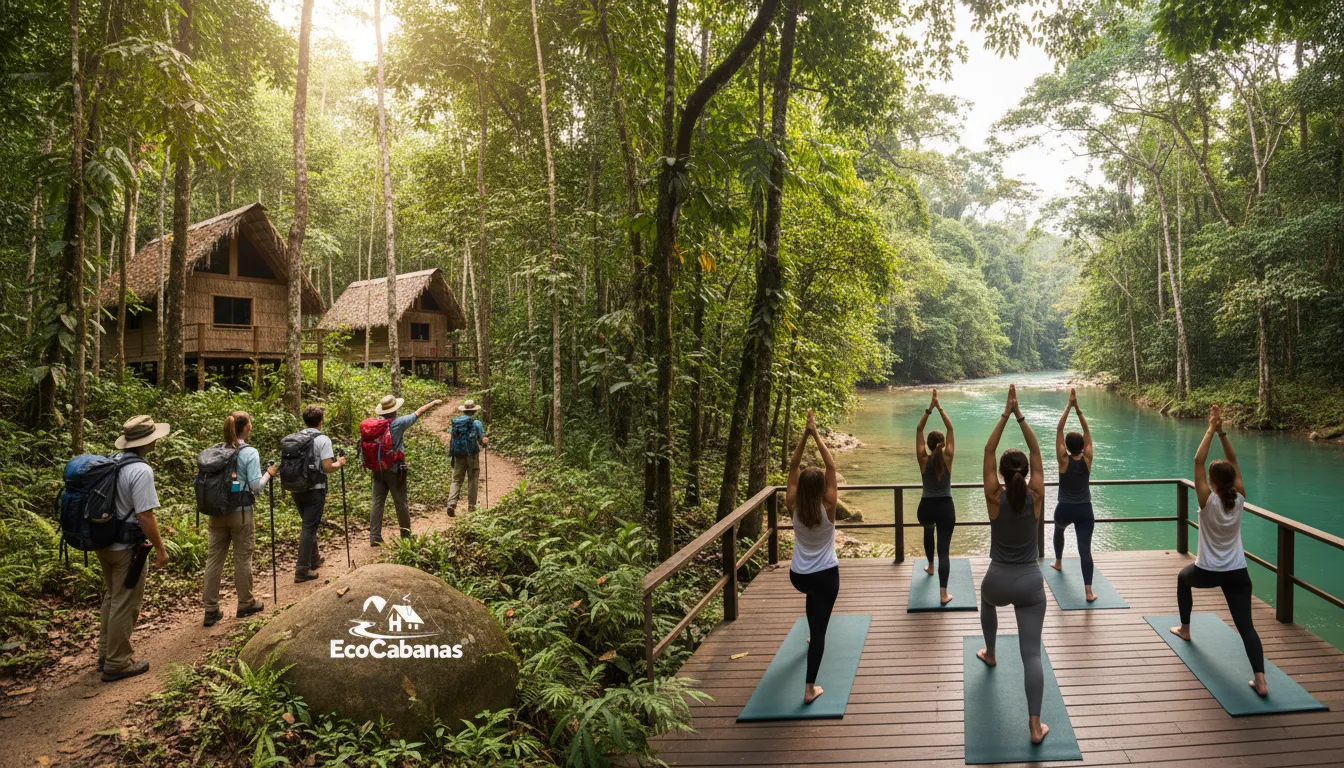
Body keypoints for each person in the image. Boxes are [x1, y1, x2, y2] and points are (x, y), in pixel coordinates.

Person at [1170, 404, 1267, 697]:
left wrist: (1210, 428)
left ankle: (1185, 629)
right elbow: (1232, 460)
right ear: (1233, 480)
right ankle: (1261, 681)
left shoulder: (1207, 501)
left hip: (1208, 572)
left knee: (1182, 578)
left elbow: (1198, 461)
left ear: (1211, 483)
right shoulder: (1239, 499)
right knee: (1246, 627)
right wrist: (1222, 430)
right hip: (1238, 573)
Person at [978, 385, 1050, 745]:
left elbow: (989, 450)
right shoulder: (1036, 496)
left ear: (1004, 474)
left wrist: (1004, 413)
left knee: (986, 600)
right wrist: (1021, 415)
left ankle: (990, 652)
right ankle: (1035, 726)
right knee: (1031, 653)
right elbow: (1037, 451)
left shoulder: (994, 499)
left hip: (996, 580)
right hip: (1030, 585)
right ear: (1024, 472)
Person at [99, 415, 171, 682]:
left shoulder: (112, 463)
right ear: (148, 442)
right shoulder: (141, 470)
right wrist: (160, 550)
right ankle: (117, 662)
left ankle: (105, 653)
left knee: (112, 596)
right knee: (125, 601)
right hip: (126, 547)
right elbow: (145, 516)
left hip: (103, 541)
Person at [784, 409, 840, 706]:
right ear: (821, 488)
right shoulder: (828, 506)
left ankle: (810, 634)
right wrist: (816, 433)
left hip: (799, 576)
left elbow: (793, 465)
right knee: (821, 632)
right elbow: (831, 465)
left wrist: (804, 435)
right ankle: (809, 688)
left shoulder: (792, 505)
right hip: (826, 575)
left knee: (811, 595)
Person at [202, 412, 275, 626]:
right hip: (240, 512)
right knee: (242, 558)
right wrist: (269, 473)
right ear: (247, 427)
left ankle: (210, 609)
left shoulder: (216, 450)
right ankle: (245, 602)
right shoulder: (249, 452)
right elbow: (256, 486)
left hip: (215, 513)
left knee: (214, 559)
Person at [365, 394, 443, 545]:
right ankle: (405, 536)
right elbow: (418, 412)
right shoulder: (398, 423)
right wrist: (433, 403)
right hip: (395, 470)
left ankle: (374, 537)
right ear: (395, 410)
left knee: (377, 501)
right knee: (400, 502)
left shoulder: (375, 427)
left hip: (377, 469)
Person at [1050, 387, 1097, 602]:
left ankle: (1058, 561)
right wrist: (1078, 410)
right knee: (1084, 550)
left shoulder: (1063, 460)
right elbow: (1087, 432)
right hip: (1085, 509)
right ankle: (1088, 592)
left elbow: (1059, 429)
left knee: (1058, 529)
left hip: (1065, 508)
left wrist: (1068, 406)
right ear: (1083, 447)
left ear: (1067, 447)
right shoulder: (1087, 459)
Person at [291, 405, 346, 583]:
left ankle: (314, 559)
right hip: (315, 488)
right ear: (321, 422)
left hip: (296, 487)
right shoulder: (323, 439)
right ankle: (302, 570)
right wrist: (339, 463)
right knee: (309, 527)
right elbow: (327, 467)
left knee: (308, 524)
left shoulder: (295, 438)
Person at [915, 388, 956, 605]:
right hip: (945, 508)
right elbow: (950, 427)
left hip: (926, 508)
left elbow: (919, 428)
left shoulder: (923, 459)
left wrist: (929, 408)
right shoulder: (948, 458)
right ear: (942, 444)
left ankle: (930, 566)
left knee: (928, 530)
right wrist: (940, 407)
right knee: (945, 551)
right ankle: (943, 594)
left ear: (929, 446)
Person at [446, 399, 488, 517]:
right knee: (472, 480)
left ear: (464, 411)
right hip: (472, 456)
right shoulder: (476, 423)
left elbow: (452, 435)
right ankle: (471, 508)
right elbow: (481, 440)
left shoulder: (457, 423)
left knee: (456, 480)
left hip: (458, 455)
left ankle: (451, 504)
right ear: (474, 411)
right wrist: (484, 442)